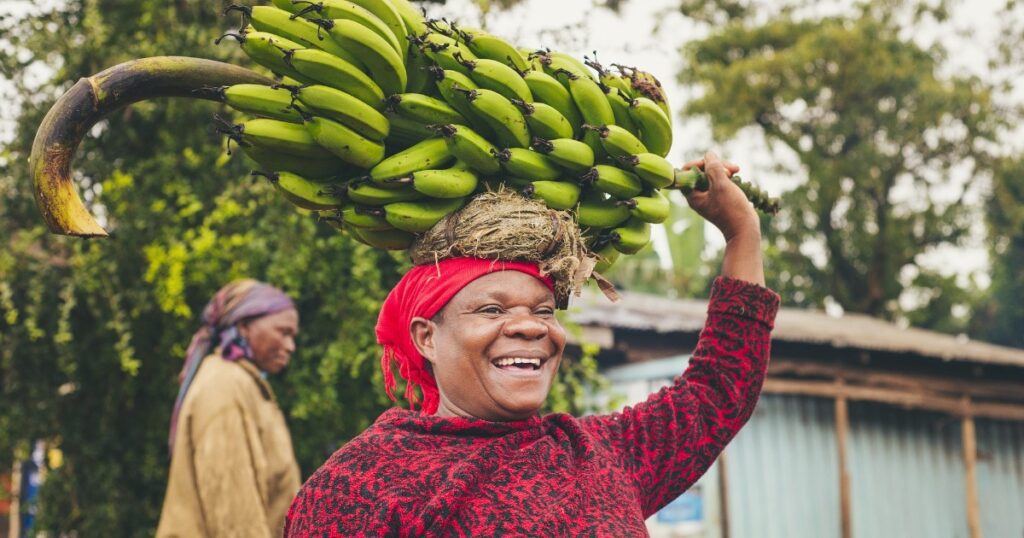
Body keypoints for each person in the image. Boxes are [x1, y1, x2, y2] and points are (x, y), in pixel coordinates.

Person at [285, 152, 779, 536]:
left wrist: (741, 233)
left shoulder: (601, 454)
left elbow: (719, 389)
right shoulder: (359, 488)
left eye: (543, 310)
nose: (530, 327)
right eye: (492, 310)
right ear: (427, 337)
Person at [157, 279, 302, 538]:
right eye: (283, 332)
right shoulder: (224, 385)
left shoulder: (246, 384)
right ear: (244, 326)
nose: (290, 346)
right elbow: (234, 512)